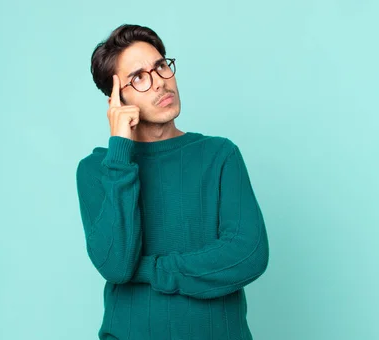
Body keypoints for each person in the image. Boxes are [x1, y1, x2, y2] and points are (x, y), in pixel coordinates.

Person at [76, 23, 269, 340]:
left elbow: (248, 254)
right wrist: (120, 152)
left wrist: (150, 269)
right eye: (138, 77)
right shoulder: (98, 170)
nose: (159, 84)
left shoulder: (219, 155)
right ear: (116, 98)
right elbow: (116, 266)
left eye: (161, 66)